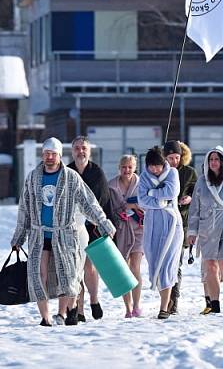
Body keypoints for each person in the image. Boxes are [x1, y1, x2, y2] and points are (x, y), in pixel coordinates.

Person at [11, 137, 115, 326]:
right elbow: (24, 209)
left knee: (68, 275)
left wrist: (103, 223)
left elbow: (89, 202)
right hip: (39, 234)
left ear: (59, 155)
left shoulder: (71, 177)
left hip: (65, 234)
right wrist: (19, 236)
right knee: (38, 275)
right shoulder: (33, 177)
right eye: (46, 154)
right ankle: (45, 317)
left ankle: (67, 310)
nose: (49, 157)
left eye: (53, 154)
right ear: (42, 155)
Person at [187, 146, 223, 313]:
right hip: (207, 228)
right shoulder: (201, 181)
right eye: (211, 159)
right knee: (210, 266)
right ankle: (214, 305)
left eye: (217, 159)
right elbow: (194, 209)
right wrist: (192, 232)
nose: (214, 162)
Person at [67, 135, 113, 322]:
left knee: (89, 267)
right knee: (74, 269)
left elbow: (99, 201)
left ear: (89, 151)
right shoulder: (67, 171)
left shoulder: (97, 173)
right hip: (72, 226)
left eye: (84, 148)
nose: (80, 151)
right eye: (77, 148)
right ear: (72, 151)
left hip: (92, 227)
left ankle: (94, 299)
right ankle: (79, 309)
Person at [137, 146, 184, 319]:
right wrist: (160, 202)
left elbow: (172, 192)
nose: (155, 170)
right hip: (153, 225)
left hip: (172, 224)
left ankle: (164, 307)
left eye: (157, 166)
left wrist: (152, 193)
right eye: (151, 166)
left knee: (168, 264)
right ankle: (166, 298)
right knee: (154, 262)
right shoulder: (143, 177)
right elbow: (142, 200)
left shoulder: (172, 173)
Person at [163, 140, 197, 315]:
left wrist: (190, 197)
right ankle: (164, 299)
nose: (174, 161)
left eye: (177, 157)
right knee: (163, 264)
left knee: (176, 264)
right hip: (163, 222)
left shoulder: (189, 173)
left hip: (182, 223)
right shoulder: (161, 172)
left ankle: (172, 302)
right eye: (170, 158)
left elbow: (196, 191)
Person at [109, 154, 144, 318]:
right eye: (124, 167)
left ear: (135, 167)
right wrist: (120, 213)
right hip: (121, 230)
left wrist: (135, 207)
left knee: (135, 265)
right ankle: (128, 308)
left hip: (138, 228)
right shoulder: (111, 186)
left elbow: (148, 204)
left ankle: (137, 305)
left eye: (130, 167)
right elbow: (108, 209)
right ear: (119, 168)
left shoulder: (142, 184)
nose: (127, 170)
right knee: (123, 268)